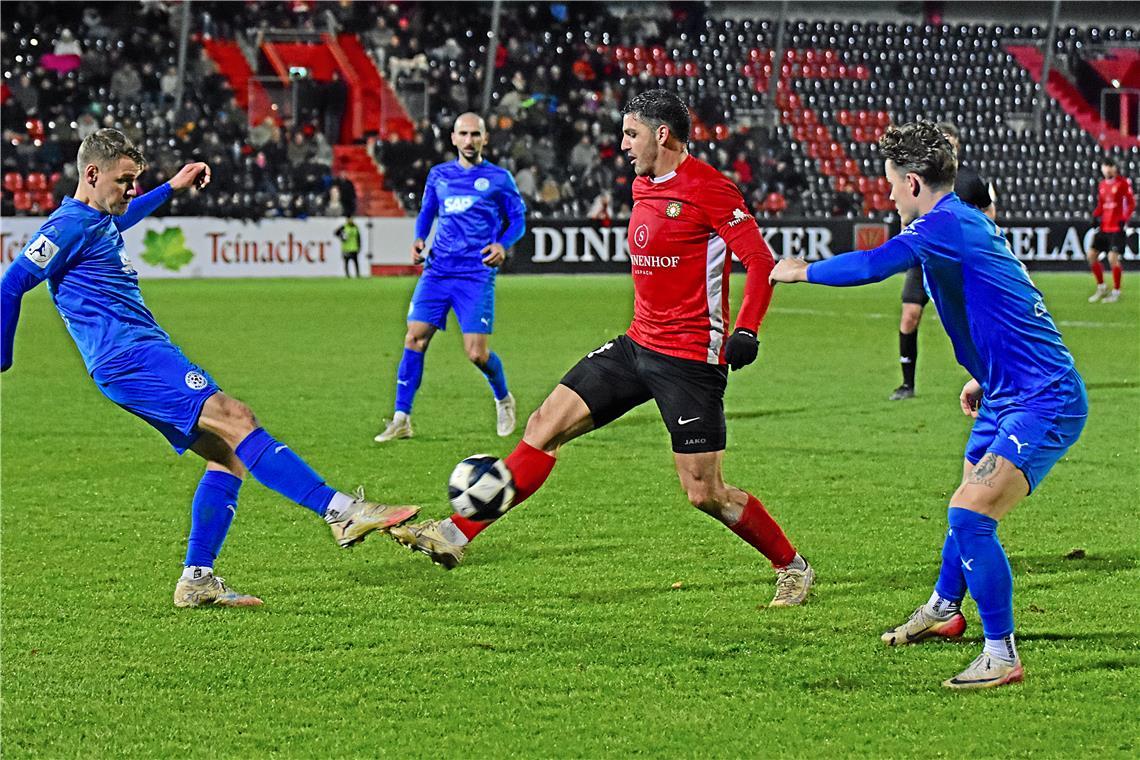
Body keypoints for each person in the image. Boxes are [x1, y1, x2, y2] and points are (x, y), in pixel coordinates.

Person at [390, 90, 814, 608]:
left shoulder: (710, 189)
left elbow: (760, 260)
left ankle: (791, 566)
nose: (622, 144)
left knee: (705, 493)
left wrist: (747, 329)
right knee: (544, 425)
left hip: (689, 360)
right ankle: (455, 533)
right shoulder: (642, 183)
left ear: (662, 135)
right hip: (637, 343)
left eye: (631, 133)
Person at [0, 129, 419, 608]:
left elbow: (125, 215)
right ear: (91, 174)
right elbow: (11, 285)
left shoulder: (98, 217)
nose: (131, 190)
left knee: (228, 455)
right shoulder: (65, 227)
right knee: (238, 419)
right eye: (125, 180)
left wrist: (171, 188)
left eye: (136, 180)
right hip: (129, 357)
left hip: (135, 357)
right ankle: (340, 510)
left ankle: (196, 579)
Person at [770, 121, 1087, 689]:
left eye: (890, 185)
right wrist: (985, 377)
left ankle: (1001, 653)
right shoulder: (961, 223)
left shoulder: (942, 224)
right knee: (964, 503)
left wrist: (800, 270)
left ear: (912, 182)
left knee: (970, 514)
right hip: (1004, 392)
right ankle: (945, 608)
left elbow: (872, 264)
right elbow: (1010, 305)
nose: (887, 195)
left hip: (1044, 399)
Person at [374, 112, 527, 443]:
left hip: (475, 273)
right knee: (414, 337)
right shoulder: (438, 175)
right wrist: (419, 238)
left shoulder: (499, 179)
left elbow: (518, 220)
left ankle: (503, 398)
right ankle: (402, 417)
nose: (469, 140)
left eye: (475, 134)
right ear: (453, 139)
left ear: (485, 138)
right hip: (438, 269)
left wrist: (503, 243)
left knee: (477, 353)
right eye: (463, 134)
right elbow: (427, 212)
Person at [890, 122, 996, 401]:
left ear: (958, 146)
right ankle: (907, 384)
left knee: (972, 321)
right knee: (909, 316)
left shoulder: (970, 180)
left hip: (958, 263)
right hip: (924, 258)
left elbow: (988, 210)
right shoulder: (922, 179)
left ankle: (990, 378)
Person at [1086, 157, 1134, 304]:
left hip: (1116, 227)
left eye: (1110, 166)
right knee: (1091, 255)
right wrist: (1095, 216)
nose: (1107, 169)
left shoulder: (1123, 183)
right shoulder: (1102, 185)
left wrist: (1124, 219)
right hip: (1104, 227)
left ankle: (1116, 291)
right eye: (1105, 166)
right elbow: (1101, 205)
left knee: (1113, 258)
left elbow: (1131, 203)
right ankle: (1101, 287)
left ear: (1115, 168)